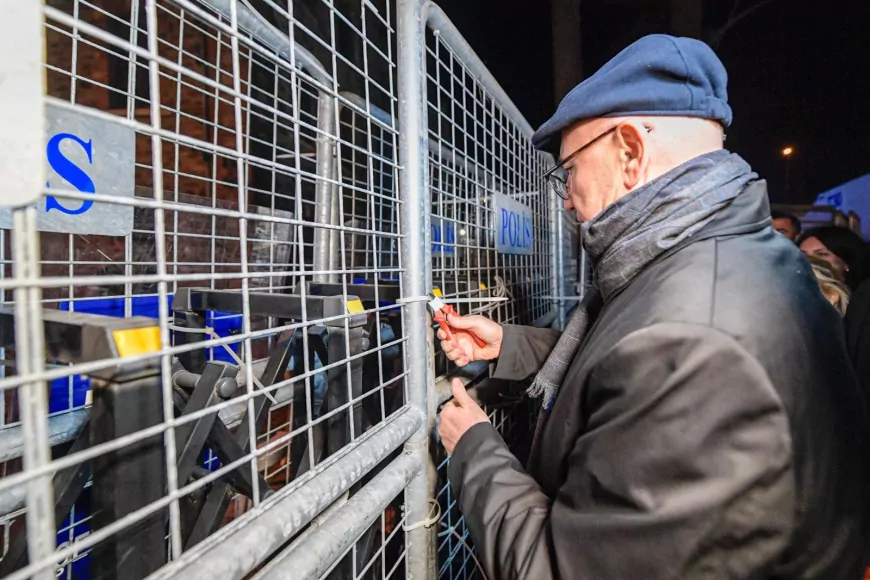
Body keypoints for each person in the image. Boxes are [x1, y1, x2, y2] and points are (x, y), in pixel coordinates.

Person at [435, 34, 869, 579]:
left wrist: (474, 450)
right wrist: (509, 345)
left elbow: (559, 569)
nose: (566, 196)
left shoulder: (698, 342)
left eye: (569, 169)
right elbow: (623, 359)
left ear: (630, 152)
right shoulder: (734, 257)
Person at [798, 225, 870, 290]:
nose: (810, 260)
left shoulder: (863, 297)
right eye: (803, 255)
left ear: (846, 261)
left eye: (821, 254)